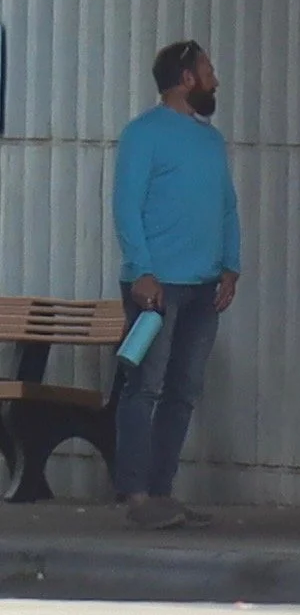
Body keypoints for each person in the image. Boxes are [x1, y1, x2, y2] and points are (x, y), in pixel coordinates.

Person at [112, 40, 241, 530]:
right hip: (156, 286)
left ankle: (163, 493)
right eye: (208, 69)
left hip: (205, 285)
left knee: (183, 390)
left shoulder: (211, 140)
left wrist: (231, 264)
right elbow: (127, 204)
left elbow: (227, 206)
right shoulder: (142, 134)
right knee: (143, 387)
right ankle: (137, 495)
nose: (215, 79)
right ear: (186, 77)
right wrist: (141, 269)